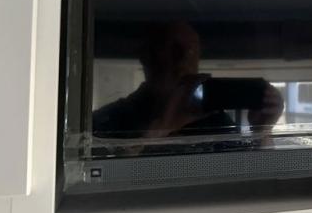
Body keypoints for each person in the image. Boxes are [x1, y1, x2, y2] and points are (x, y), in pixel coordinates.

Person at [92, 22, 283, 142]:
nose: (184, 58)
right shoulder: (109, 120)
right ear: (147, 56)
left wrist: (262, 132)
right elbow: (97, 176)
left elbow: (247, 176)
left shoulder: (214, 120)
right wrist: (163, 126)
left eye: (193, 51)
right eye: (173, 48)